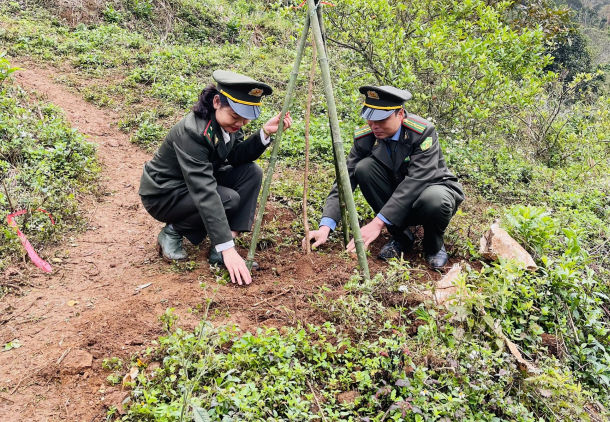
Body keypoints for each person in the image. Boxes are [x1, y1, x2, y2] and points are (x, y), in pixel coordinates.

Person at [139, 70, 292, 285]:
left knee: (252, 172)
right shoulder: (193, 132)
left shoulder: (229, 123)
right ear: (217, 101)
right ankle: (173, 232)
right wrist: (229, 251)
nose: (240, 124)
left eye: (246, 120)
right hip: (165, 194)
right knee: (227, 198)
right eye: (235, 117)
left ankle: (223, 243)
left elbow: (236, 156)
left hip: (194, 185)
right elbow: (204, 191)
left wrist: (264, 133)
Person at [308, 85, 464, 269]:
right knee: (364, 168)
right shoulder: (365, 138)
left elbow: (417, 180)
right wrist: (326, 225)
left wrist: (378, 222)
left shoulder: (421, 133)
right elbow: (345, 180)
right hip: (397, 198)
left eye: (382, 120)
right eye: (370, 119)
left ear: (400, 114)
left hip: (430, 190)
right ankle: (402, 237)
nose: (375, 126)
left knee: (435, 200)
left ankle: (433, 246)